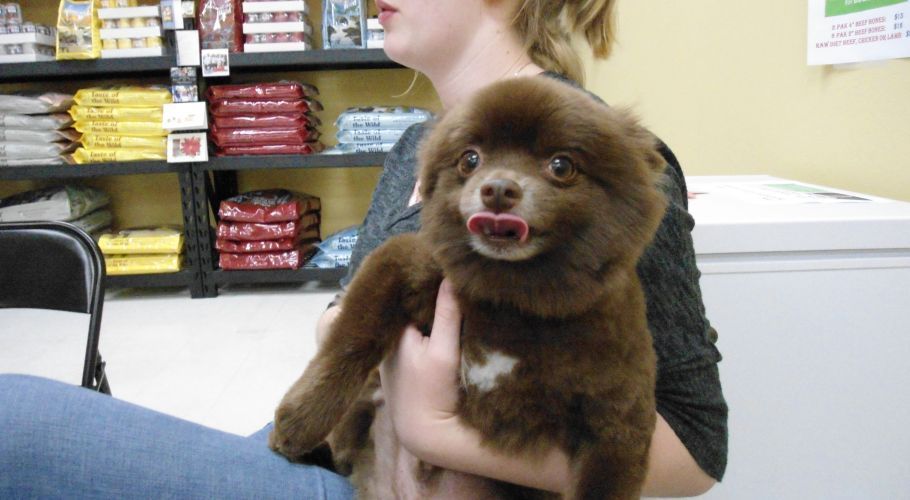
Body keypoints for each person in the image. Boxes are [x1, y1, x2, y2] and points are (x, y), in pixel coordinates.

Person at [0, 0, 726, 497]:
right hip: (351, 452)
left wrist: (438, 433)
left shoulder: (612, 167)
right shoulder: (417, 145)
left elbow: (695, 450)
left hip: (434, 479)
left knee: (15, 426)